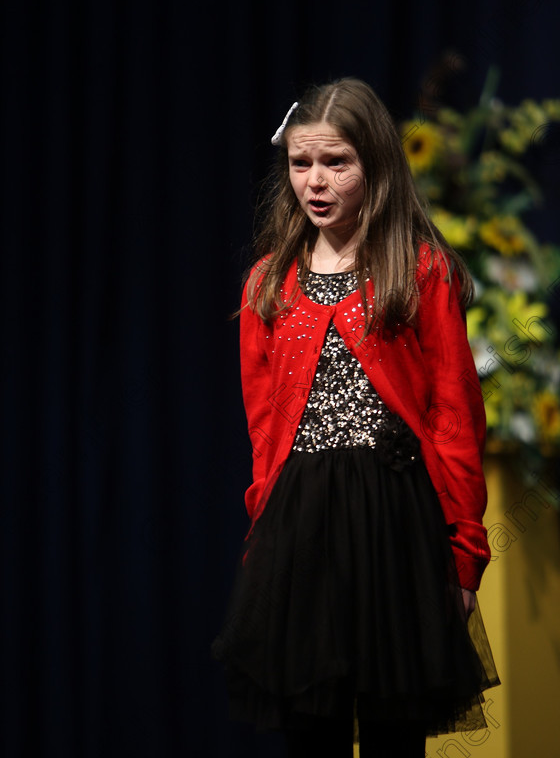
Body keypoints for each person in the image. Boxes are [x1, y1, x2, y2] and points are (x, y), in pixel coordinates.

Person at [212, 78, 499, 757]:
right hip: (301, 530)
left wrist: (463, 557)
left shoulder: (417, 271)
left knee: (395, 728)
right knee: (311, 729)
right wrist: (264, 535)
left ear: (374, 164)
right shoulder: (268, 284)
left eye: (336, 163)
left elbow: (457, 417)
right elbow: (265, 430)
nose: (316, 181)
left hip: (395, 525)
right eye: (301, 163)